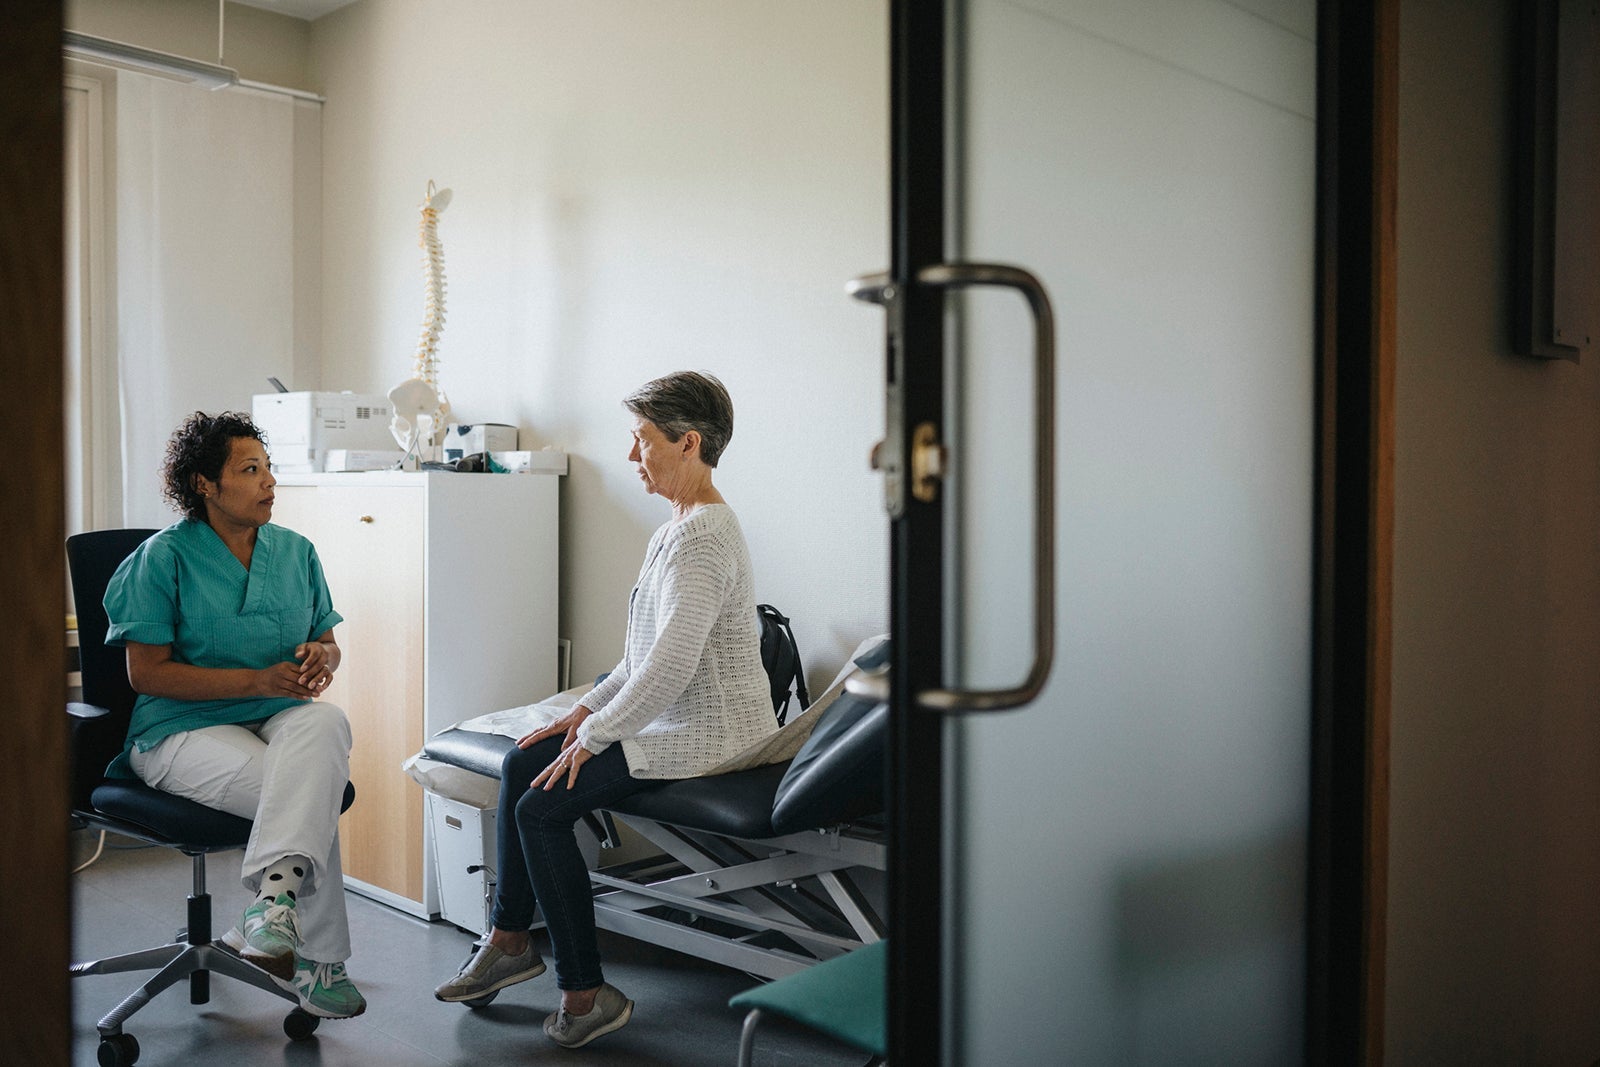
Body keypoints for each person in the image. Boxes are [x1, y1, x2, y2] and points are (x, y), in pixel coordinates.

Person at [433, 370, 776, 1048]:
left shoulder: (704, 536)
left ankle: (585, 993)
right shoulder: (679, 528)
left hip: (712, 737)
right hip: (673, 718)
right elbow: (641, 655)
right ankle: (508, 939)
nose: (632, 456)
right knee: (524, 757)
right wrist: (582, 711)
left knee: (542, 804)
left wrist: (595, 735)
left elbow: (671, 667)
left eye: (642, 440)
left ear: (689, 443)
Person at [102, 410, 364, 1020]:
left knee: (325, 724)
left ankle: (271, 911)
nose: (269, 481)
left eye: (269, 468)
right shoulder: (161, 558)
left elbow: (329, 639)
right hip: (179, 729)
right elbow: (147, 674)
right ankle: (319, 962)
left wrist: (322, 656)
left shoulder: (296, 552)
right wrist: (254, 678)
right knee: (309, 792)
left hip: (276, 717)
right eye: (250, 470)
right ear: (204, 485)